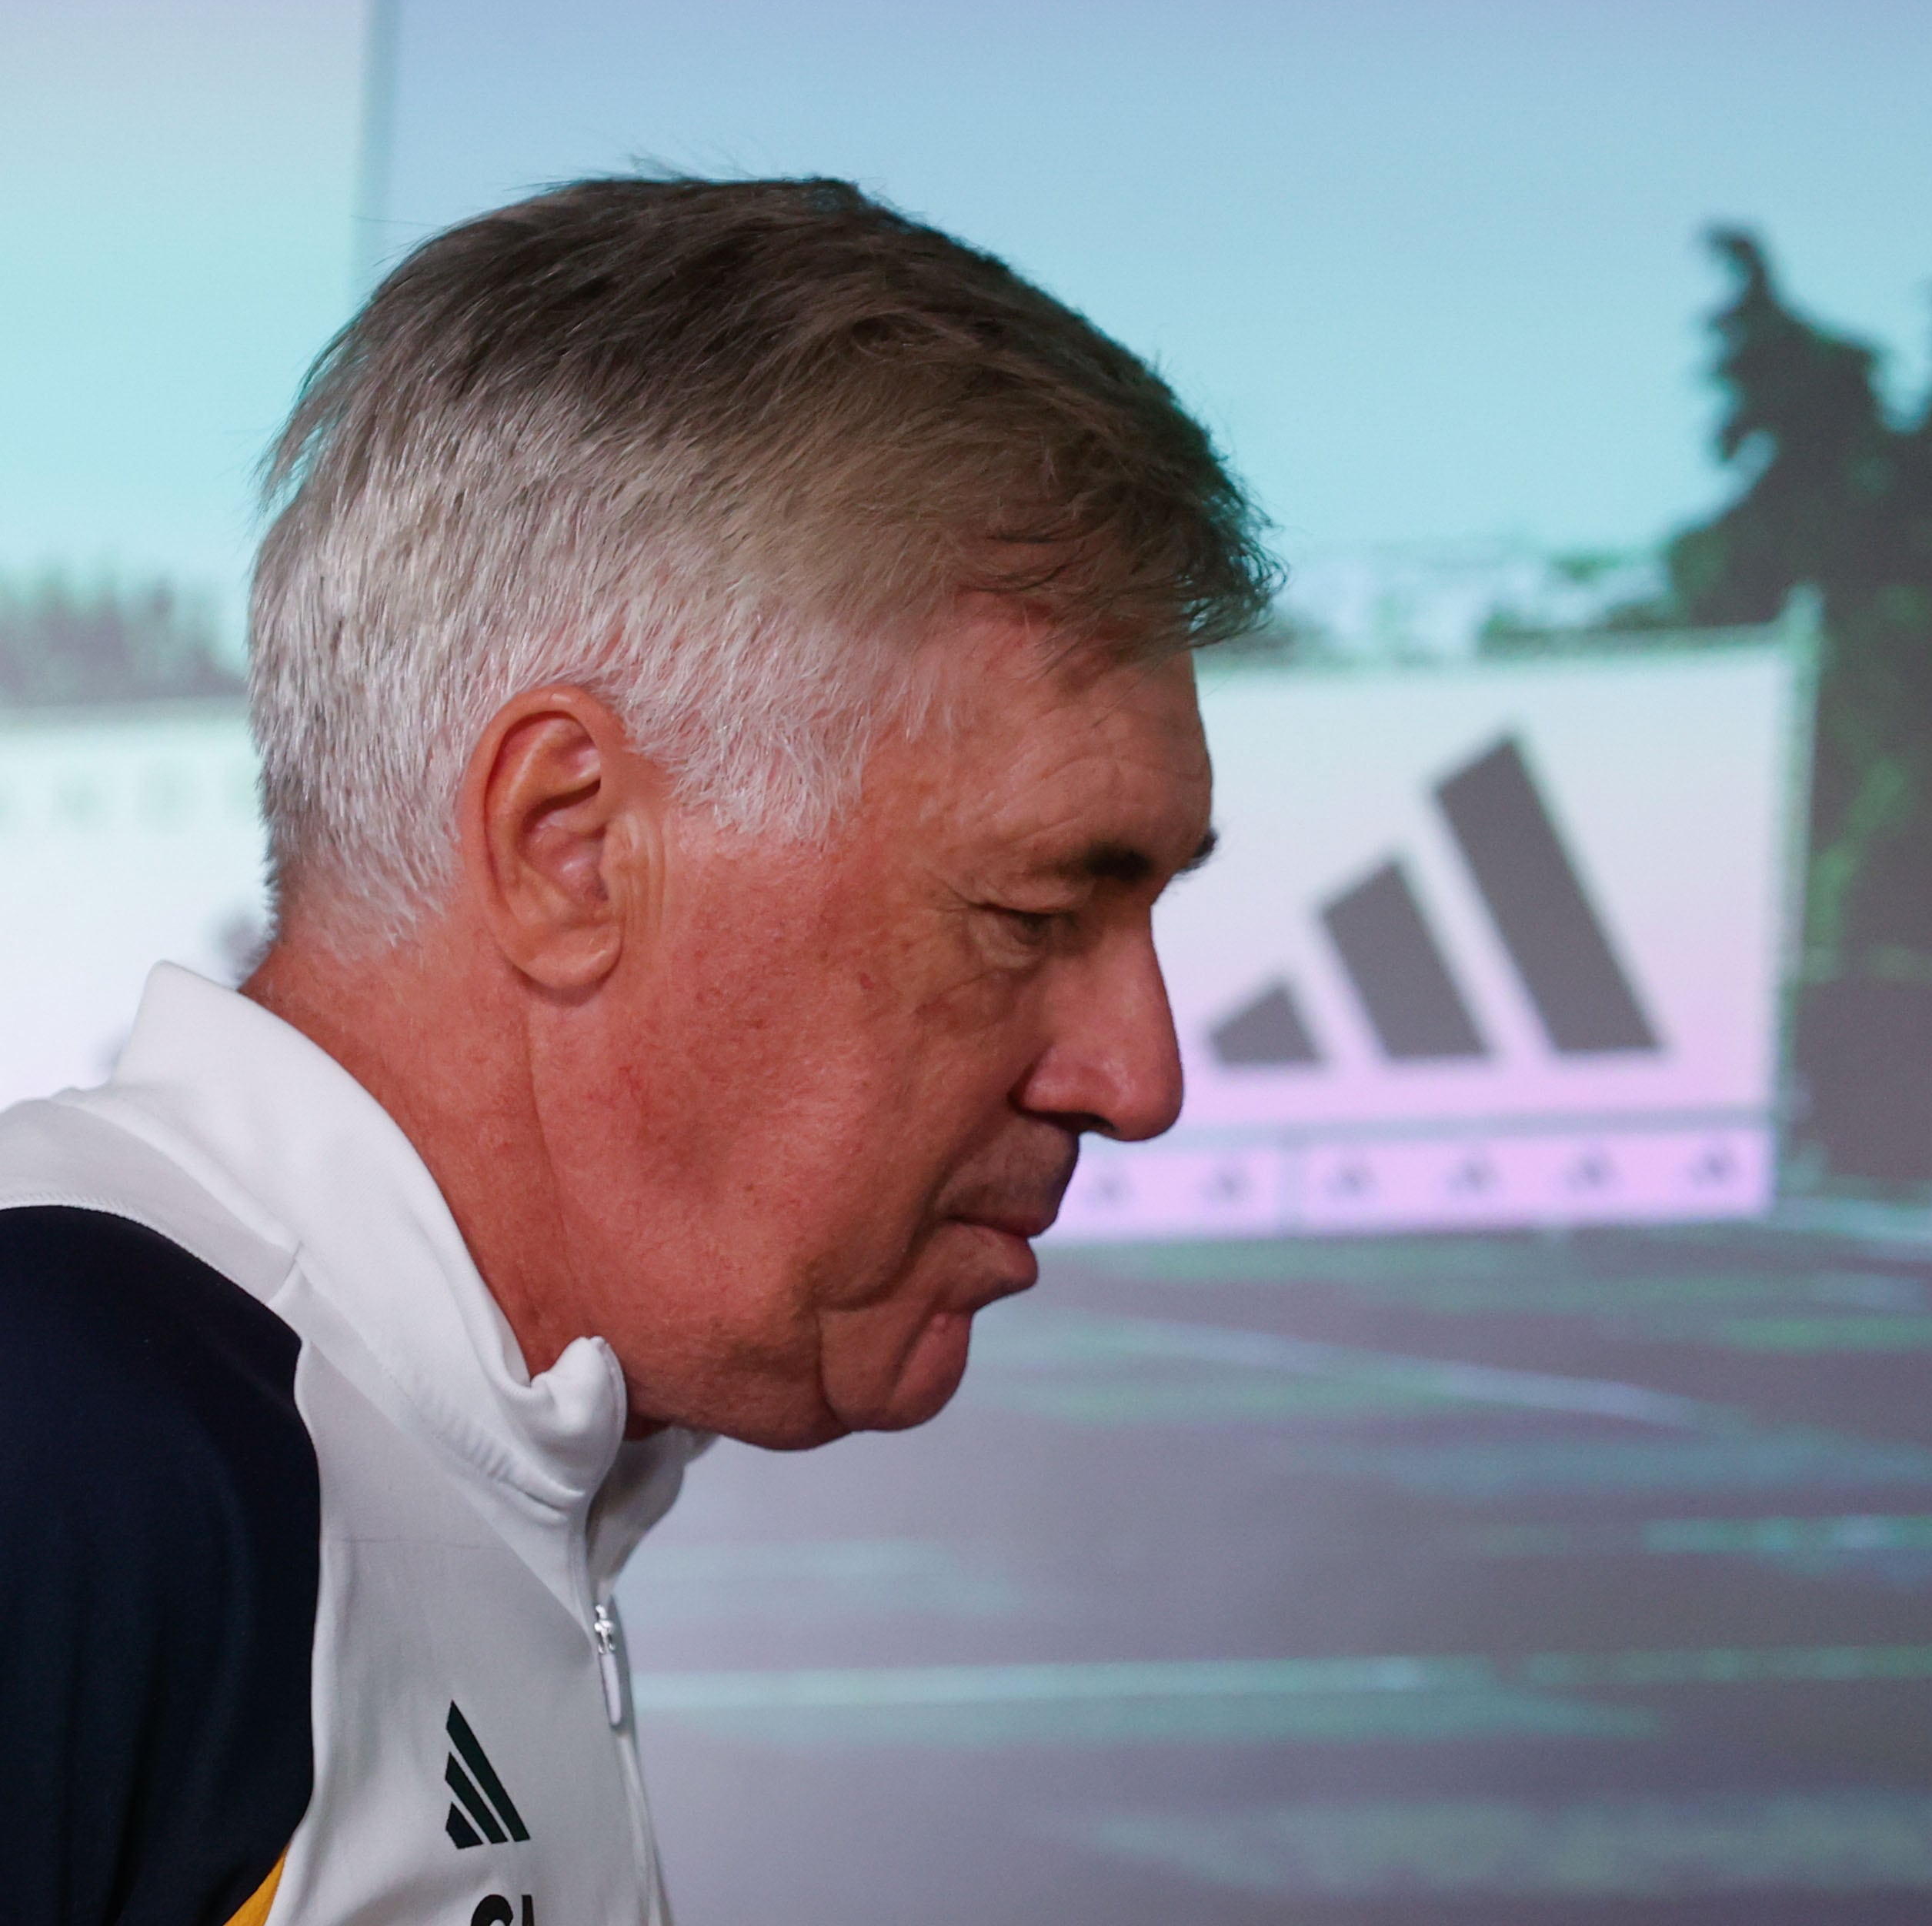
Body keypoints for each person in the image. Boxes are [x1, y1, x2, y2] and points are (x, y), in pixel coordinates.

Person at [0, 177, 1271, 1924]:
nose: (1139, 1077)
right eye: (1032, 913)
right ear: (570, 844)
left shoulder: (402, 1459)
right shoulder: (63, 1447)